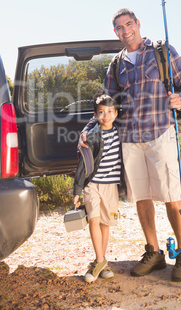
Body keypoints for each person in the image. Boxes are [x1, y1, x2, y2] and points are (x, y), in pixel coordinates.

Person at [78, 8, 181, 282]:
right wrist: (87, 130)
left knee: (171, 195)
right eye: (119, 27)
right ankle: (153, 252)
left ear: (138, 24)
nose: (125, 30)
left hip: (161, 133)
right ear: (115, 32)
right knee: (141, 197)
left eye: (128, 24)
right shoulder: (115, 66)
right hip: (129, 140)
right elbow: (105, 106)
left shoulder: (161, 51)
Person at [73, 94, 125, 283]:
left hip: (110, 187)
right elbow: (83, 163)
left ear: (116, 113)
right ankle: (100, 261)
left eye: (110, 112)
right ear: (95, 115)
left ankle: (101, 262)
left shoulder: (120, 133)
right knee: (94, 221)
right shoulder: (92, 136)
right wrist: (77, 190)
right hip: (92, 185)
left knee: (105, 223)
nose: (106, 116)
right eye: (101, 112)